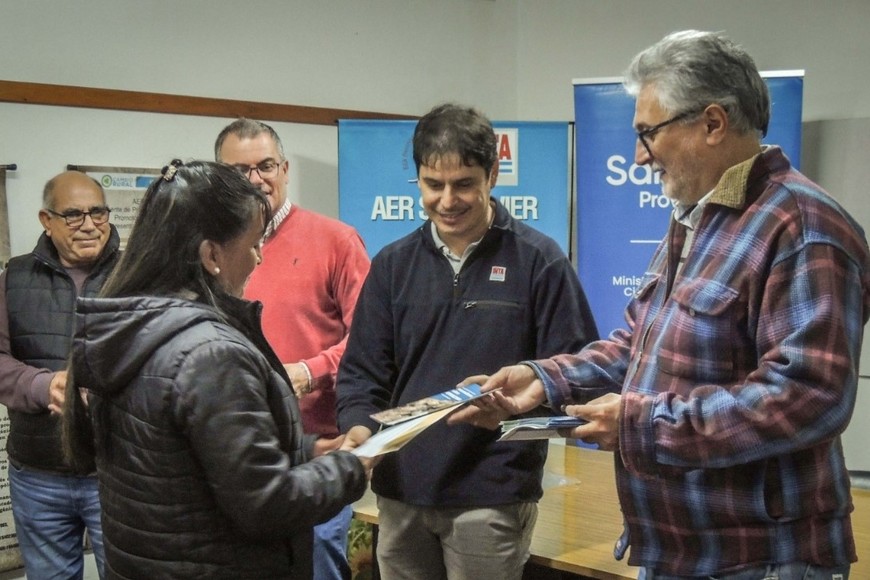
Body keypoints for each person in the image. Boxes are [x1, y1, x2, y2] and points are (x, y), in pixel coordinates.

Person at [451, 30, 870, 579]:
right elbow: (637, 345)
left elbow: (808, 397)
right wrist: (544, 380)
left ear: (713, 123)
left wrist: (642, 425)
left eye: (648, 133)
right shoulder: (695, 219)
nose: (637, 155)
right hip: (680, 552)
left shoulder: (804, 227)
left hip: (764, 559)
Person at [62, 160, 372, 579]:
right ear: (211, 255)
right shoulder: (210, 355)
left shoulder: (127, 330)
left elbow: (193, 459)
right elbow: (266, 505)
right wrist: (352, 467)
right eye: (253, 244)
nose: (259, 257)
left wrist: (306, 451)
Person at [336, 103, 599, 580]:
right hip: (401, 494)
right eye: (433, 185)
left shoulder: (540, 261)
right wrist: (357, 429)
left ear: (492, 175)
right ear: (417, 179)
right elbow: (361, 373)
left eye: (463, 184)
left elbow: (579, 373)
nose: (447, 200)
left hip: (492, 495)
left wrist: (519, 416)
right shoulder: (392, 266)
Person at [215, 118, 371, 580]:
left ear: (284, 169)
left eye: (265, 166)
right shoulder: (210, 248)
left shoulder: (337, 241)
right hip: (236, 449)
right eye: (239, 171)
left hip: (315, 448)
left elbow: (370, 343)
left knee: (318, 566)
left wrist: (309, 370)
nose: (255, 180)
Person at [0, 170, 116, 579]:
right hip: (38, 476)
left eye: (97, 212)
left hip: (118, 474)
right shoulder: (14, 278)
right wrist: (42, 385)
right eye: (72, 214)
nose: (88, 224)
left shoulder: (137, 274)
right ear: (45, 220)